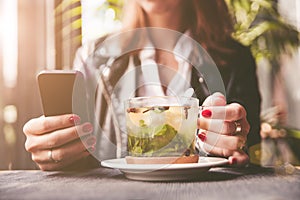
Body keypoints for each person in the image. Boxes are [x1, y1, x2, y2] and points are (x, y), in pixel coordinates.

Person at [23, 0, 261, 171]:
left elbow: (245, 144)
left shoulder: (234, 59)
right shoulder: (94, 58)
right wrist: (57, 151)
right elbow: (83, 157)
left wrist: (231, 141)